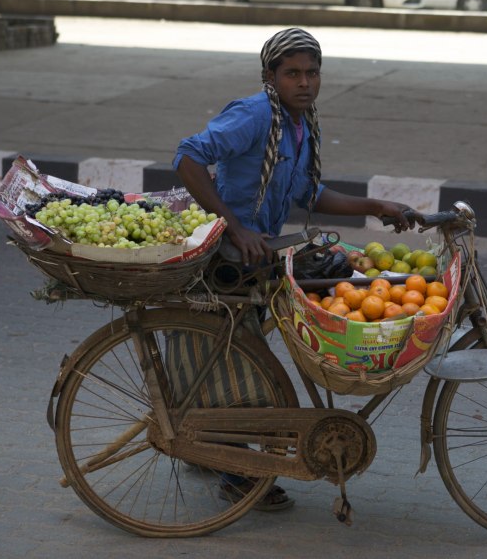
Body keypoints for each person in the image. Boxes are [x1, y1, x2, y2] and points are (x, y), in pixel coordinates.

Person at [172, 27, 418, 511]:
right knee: (241, 363)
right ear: (270, 76)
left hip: (259, 255)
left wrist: (375, 205)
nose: (304, 83)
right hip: (226, 255)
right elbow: (188, 158)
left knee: (235, 350)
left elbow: (308, 193)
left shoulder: (299, 125)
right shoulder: (255, 114)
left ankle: (209, 443)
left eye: (312, 73)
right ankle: (236, 472)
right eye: (292, 74)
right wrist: (235, 227)